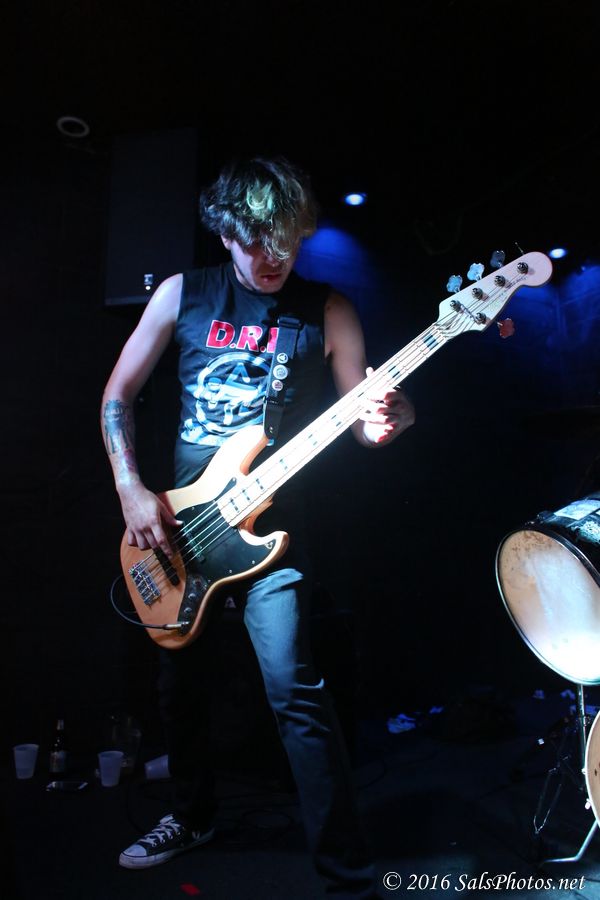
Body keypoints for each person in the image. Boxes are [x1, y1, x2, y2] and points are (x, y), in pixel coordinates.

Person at [101, 156, 415, 898]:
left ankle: (346, 868)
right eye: (256, 243)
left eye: (288, 243)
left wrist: (389, 419)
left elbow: (363, 421)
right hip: (181, 528)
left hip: (276, 530)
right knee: (179, 688)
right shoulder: (183, 294)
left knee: (294, 687)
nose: (274, 259)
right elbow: (118, 394)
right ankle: (192, 816)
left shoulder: (329, 310)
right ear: (225, 233)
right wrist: (130, 489)